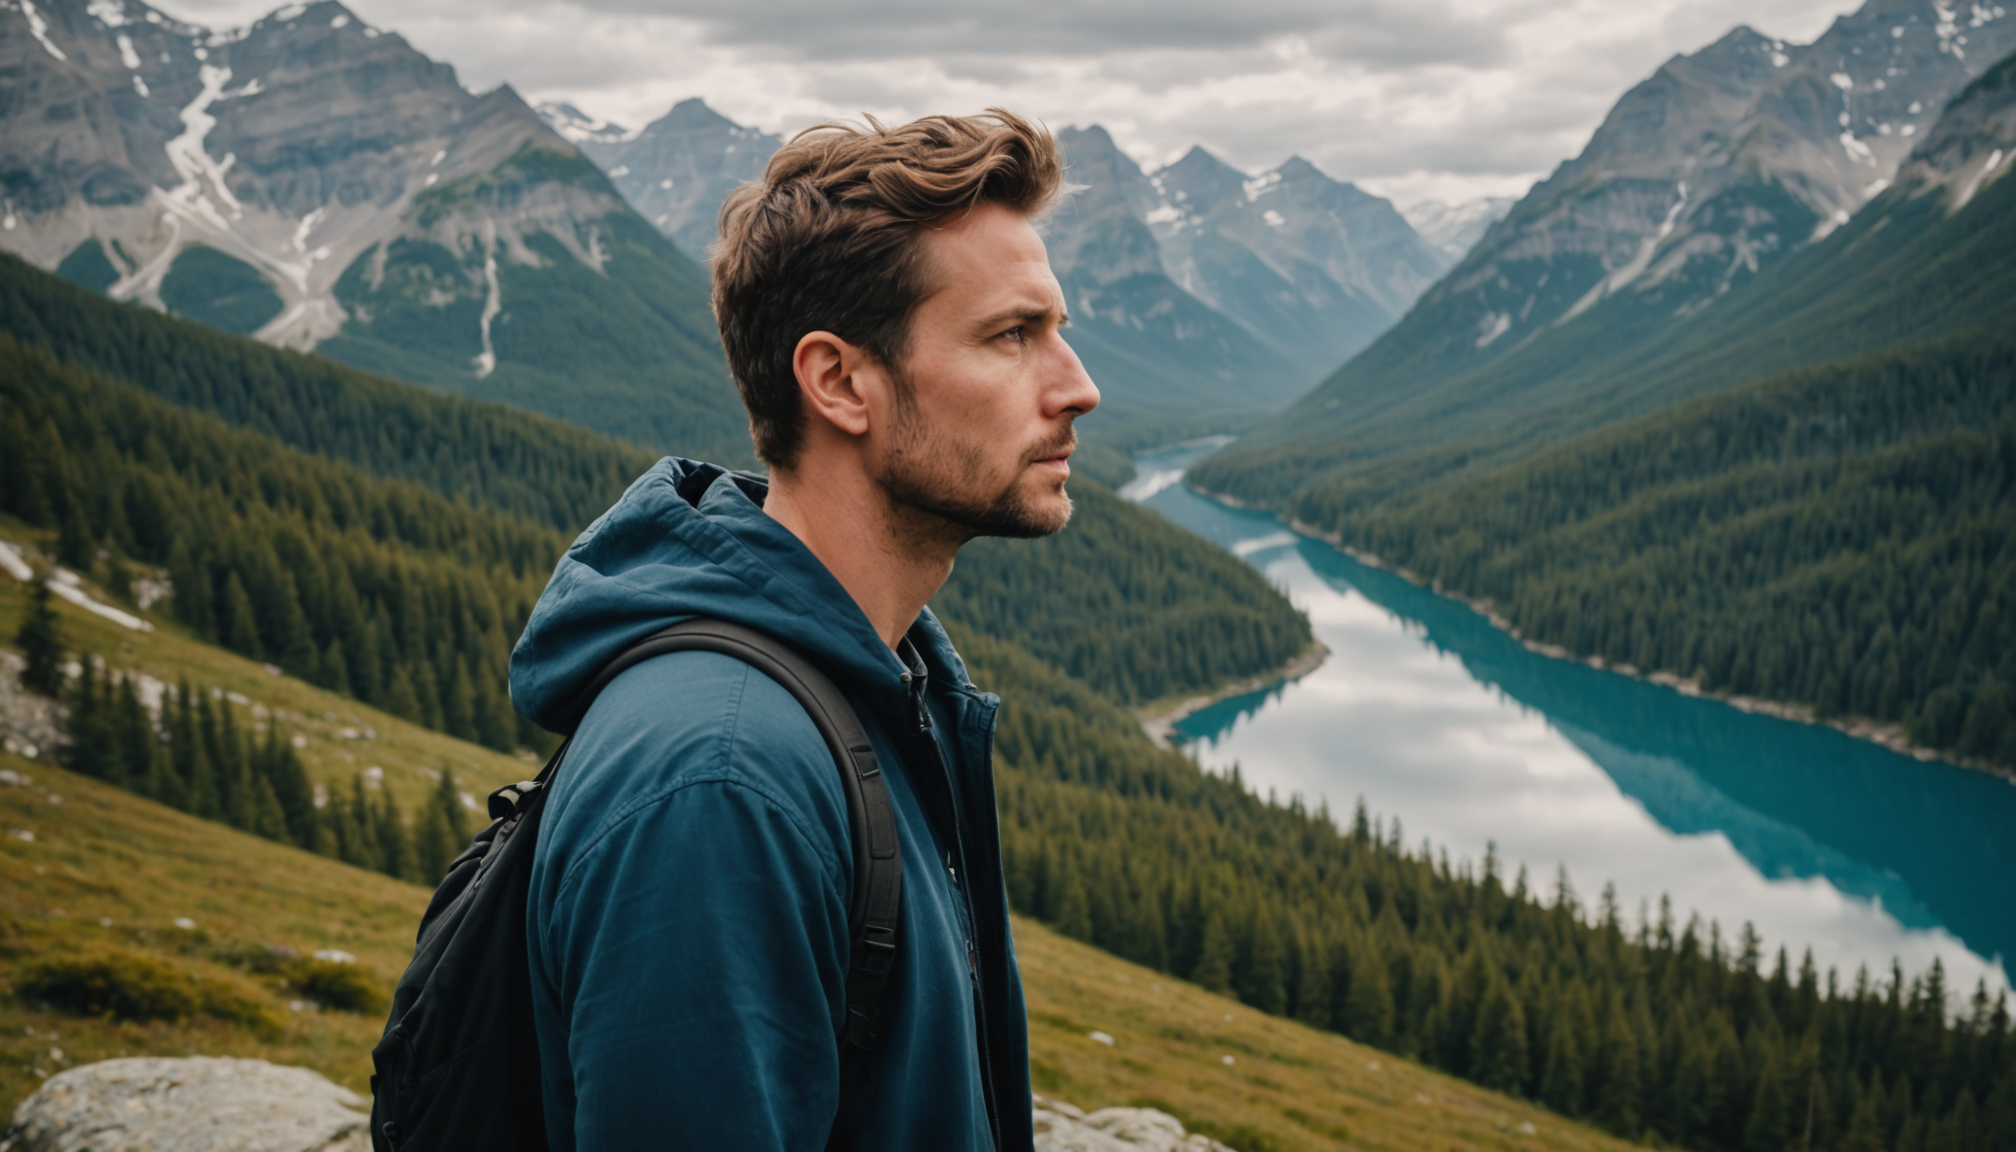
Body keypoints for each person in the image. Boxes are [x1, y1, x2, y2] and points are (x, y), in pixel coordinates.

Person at [507, 109, 1098, 1152]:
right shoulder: (723, 782)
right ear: (837, 382)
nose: (1077, 387)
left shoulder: (875, 688)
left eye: (1058, 328)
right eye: (1013, 336)